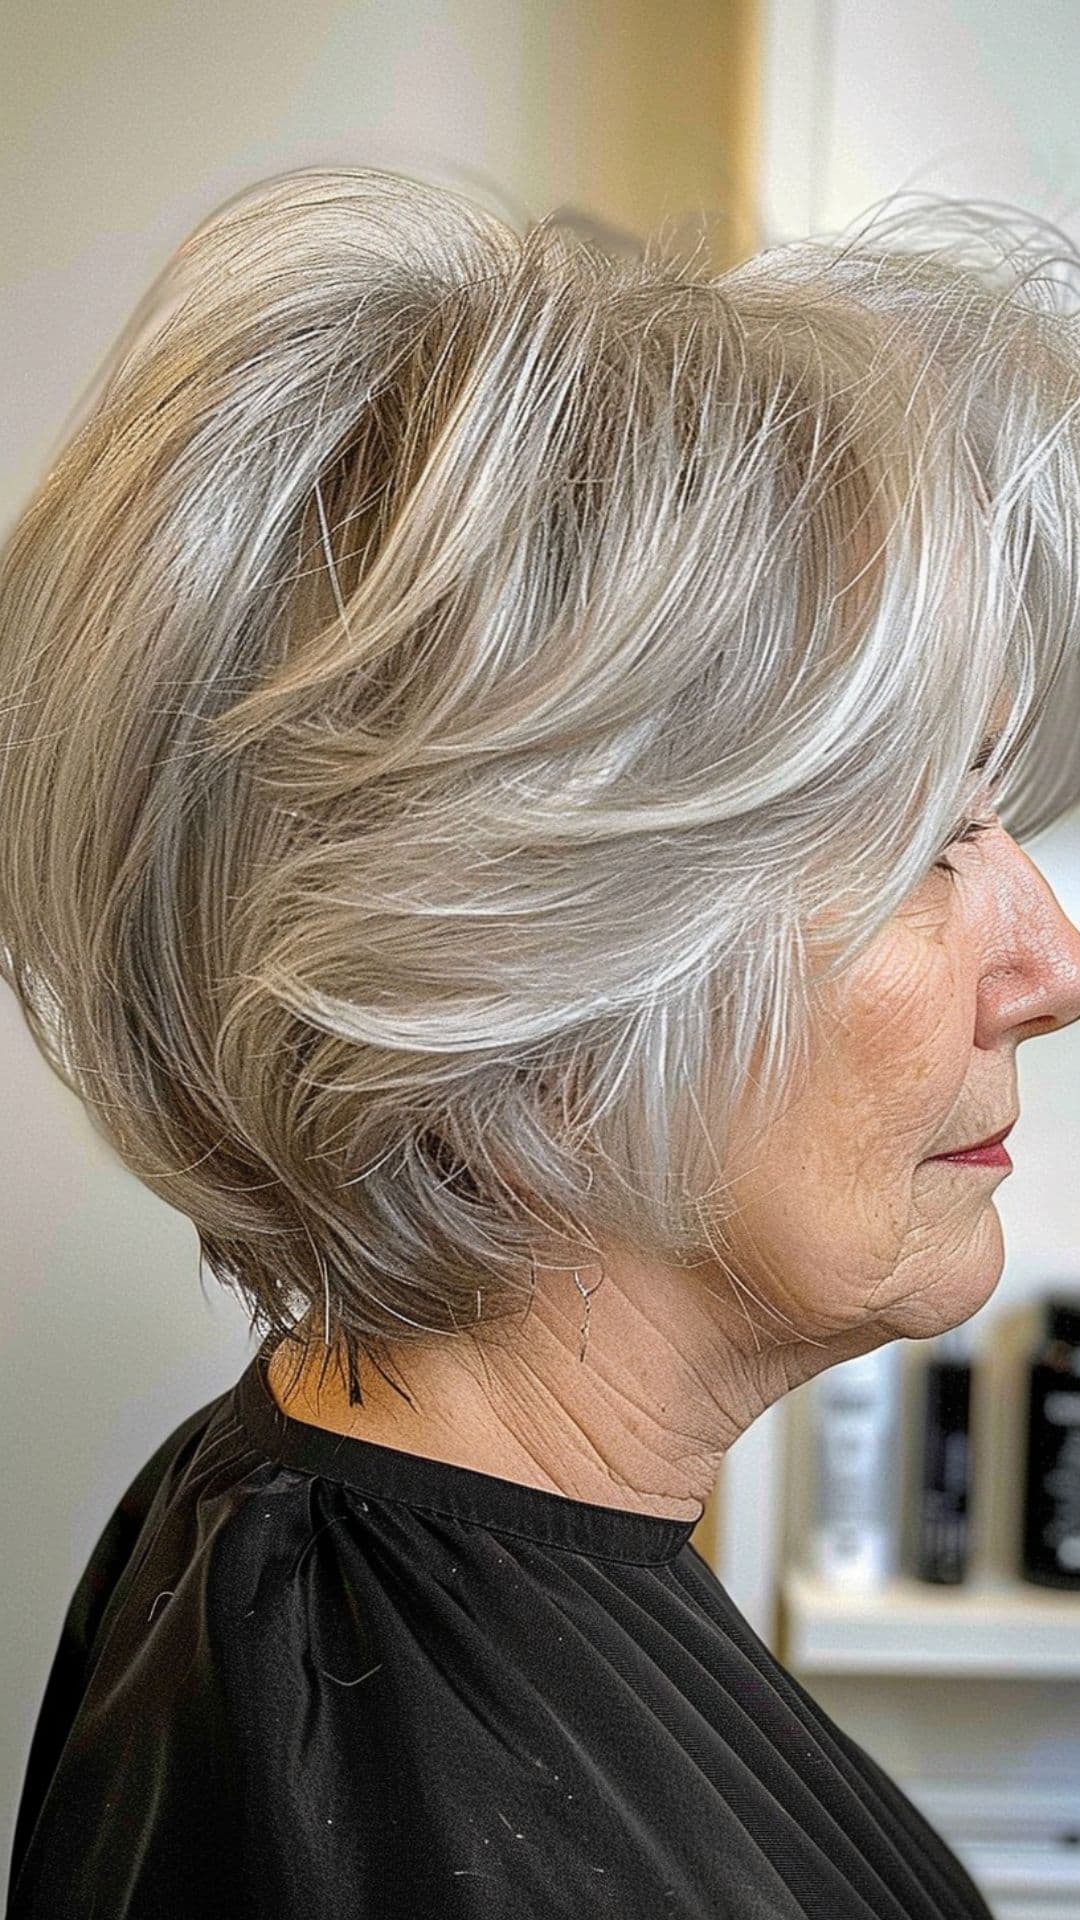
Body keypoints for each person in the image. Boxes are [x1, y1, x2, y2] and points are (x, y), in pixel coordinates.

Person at [4, 164, 1080, 1920]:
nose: (1054, 962)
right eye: (928, 845)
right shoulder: (410, 1798)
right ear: (524, 984)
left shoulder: (299, 1533)